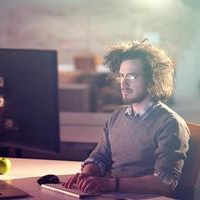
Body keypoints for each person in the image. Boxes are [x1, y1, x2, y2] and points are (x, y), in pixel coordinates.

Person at [64, 39, 190, 196]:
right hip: (110, 194)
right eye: (122, 76)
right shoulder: (117, 116)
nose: (123, 83)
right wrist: (88, 174)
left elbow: (164, 183)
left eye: (132, 76)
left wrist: (108, 184)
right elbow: (99, 157)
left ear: (153, 79)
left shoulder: (170, 124)